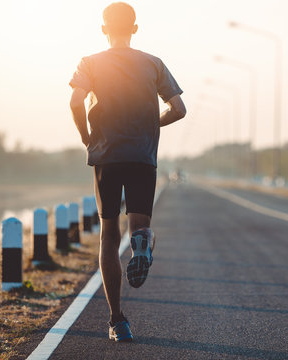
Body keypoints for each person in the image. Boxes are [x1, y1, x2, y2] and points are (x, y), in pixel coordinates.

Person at [69, 2, 186, 342]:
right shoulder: (153, 63)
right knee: (140, 226)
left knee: (108, 233)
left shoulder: (89, 63)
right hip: (142, 156)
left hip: (106, 154)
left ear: (103, 29)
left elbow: (76, 102)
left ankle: (118, 320)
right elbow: (178, 109)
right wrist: (152, 123)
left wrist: (86, 137)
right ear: (135, 29)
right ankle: (144, 244)